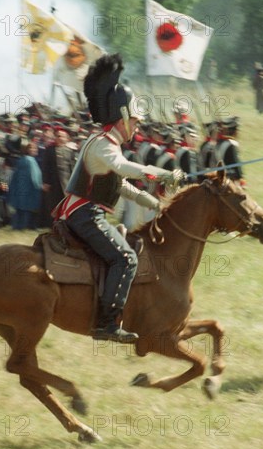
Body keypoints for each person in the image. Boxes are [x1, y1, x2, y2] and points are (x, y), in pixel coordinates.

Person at [55, 54, 184, 343]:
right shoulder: (104, 144)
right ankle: (106, 323)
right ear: (123, 117)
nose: (137, 128)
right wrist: (162, 175)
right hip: (85, 215)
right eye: (135, 123)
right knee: (126, 258)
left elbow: (119, 184)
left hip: (86, 213)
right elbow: (125, 169)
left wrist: (151, 202)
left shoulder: (106, 143)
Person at [8, 142, 42, 230]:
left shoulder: (32, 160)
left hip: (30, 188)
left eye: (36, 148)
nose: (35, 150)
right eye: (32, 148)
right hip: (25, 188)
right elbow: (22, 177)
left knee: (28, 208)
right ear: (27, 150)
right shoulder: (25, 161)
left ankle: (27, 225)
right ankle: (19, 226)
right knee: (22, 208)